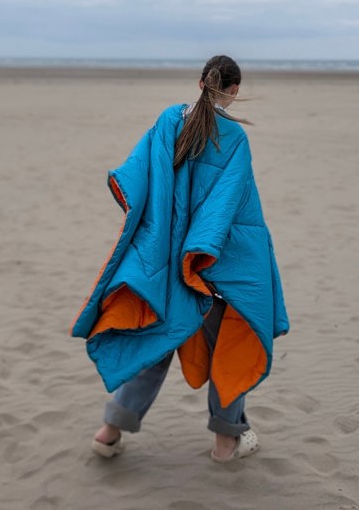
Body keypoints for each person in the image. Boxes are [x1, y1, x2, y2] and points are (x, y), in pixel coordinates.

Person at [71, 55, 289, 463]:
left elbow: (136, 177)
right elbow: (229, 210)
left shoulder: (170, 119)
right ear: (235, 90)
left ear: (200, 81)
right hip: (208, 268)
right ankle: (226, 444)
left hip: (164, 263)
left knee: (156, 343)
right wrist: (207, 257)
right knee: (231, 343)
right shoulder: (235, 139)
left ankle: (108, 432)